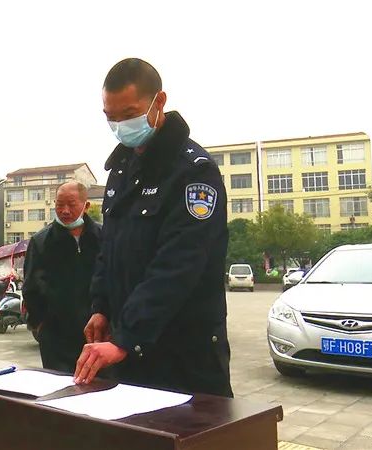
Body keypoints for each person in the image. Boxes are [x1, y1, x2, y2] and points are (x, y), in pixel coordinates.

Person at [75, 58, 233, 398]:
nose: (120, 125)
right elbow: (109, 249)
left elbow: (177, 267)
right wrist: (100, 308)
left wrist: (125, 336)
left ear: (158, 102)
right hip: (129, 352)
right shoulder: (121, 169)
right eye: (110, 117)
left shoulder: (193, 173)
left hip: (183, 356)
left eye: (128, 114)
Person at [23, 181, 102, 373]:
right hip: (56, 338)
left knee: (98, 390)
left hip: (97, 334)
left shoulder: (103, 237)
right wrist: (40, 325)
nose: (65, 210)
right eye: (59, 204)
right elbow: (31, 287)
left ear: (86, 206)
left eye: (71, 204)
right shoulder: (41, 241)